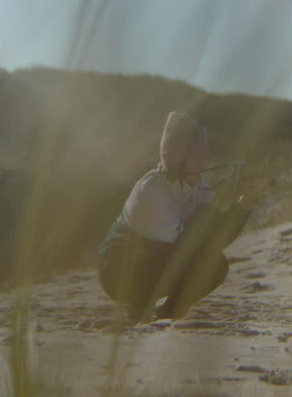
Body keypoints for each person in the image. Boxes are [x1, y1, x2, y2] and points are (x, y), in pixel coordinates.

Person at [97, 111, 250, 322]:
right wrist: (216, 219)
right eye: (197, 155)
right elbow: (186, 244)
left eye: (205, 153)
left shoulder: (200, 186)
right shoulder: (152, 190)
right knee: (194, 252)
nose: (204, 160)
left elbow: (210, 239)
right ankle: (139, 307)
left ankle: (167, 314)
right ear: (177, 158)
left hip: (156, 256)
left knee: (216, 263)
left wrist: (237, 209)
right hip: (117, 267)